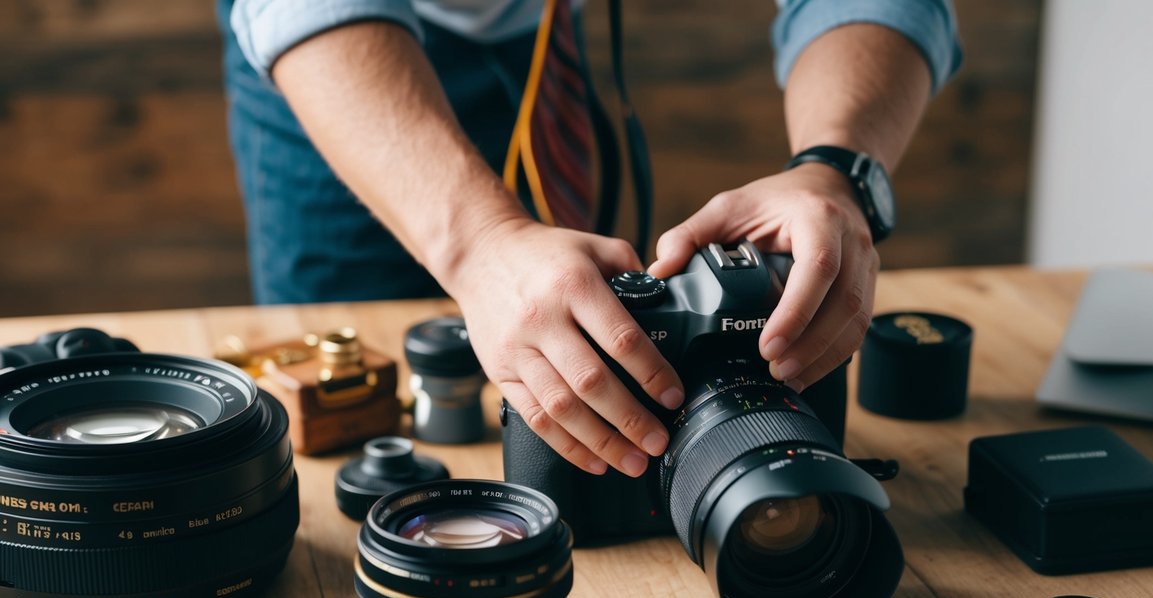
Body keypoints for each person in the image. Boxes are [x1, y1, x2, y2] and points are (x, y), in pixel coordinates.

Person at [217, 0, 961, 479]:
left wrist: (835, 170)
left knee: (576, 328)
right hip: (343, 50)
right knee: (346, 407)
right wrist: (479, 244)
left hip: (547, 32)